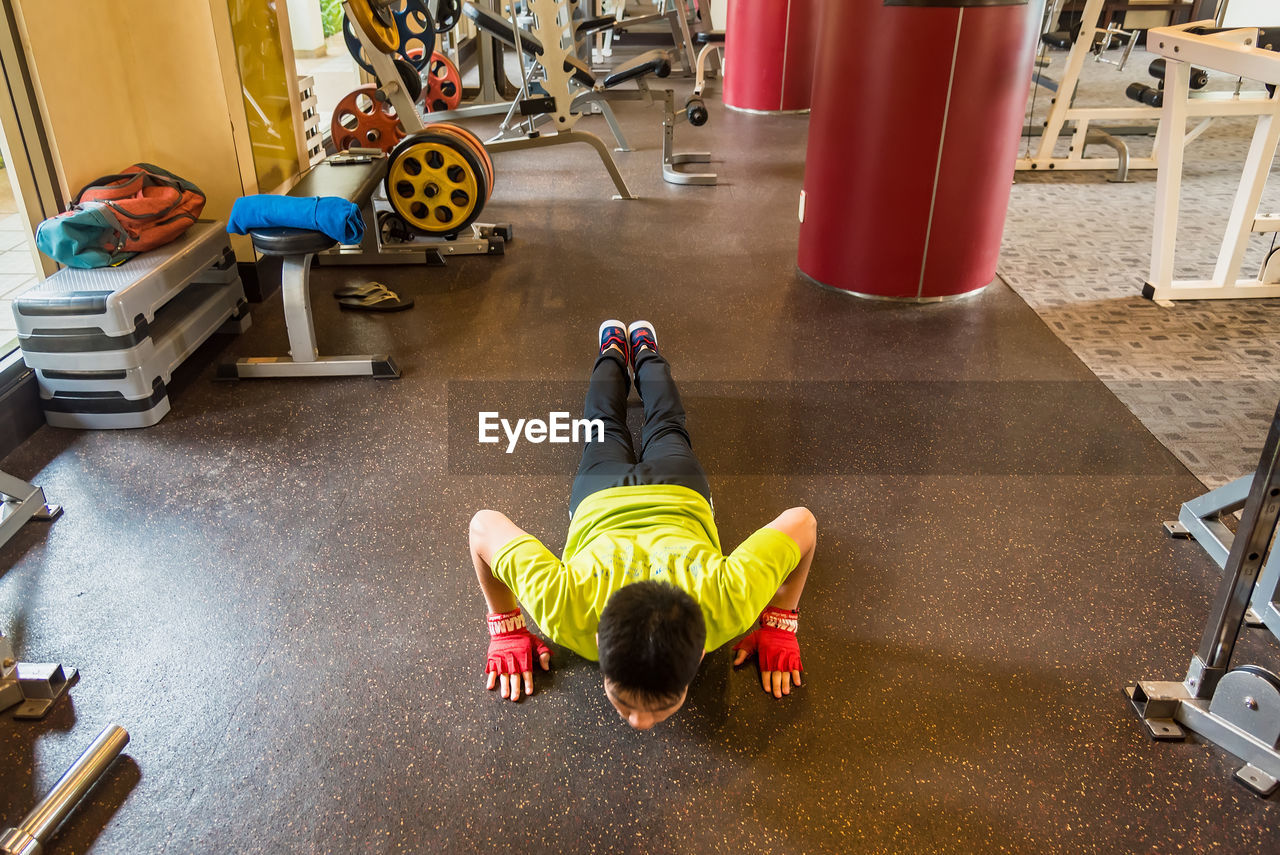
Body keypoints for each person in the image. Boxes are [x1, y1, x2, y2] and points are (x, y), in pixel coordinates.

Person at [469, 321, 816, 729]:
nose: (641, 722)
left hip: (657, 488)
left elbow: (481, 524)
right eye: (628, 702)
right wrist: (779, 622)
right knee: (633, 423)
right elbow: (803, 522)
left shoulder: (730, 602)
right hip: (633, 491)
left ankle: (627, 348)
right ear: (701, 651)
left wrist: (778, 618)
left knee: (637, 422)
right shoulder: (563, 606)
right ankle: (631, 349)